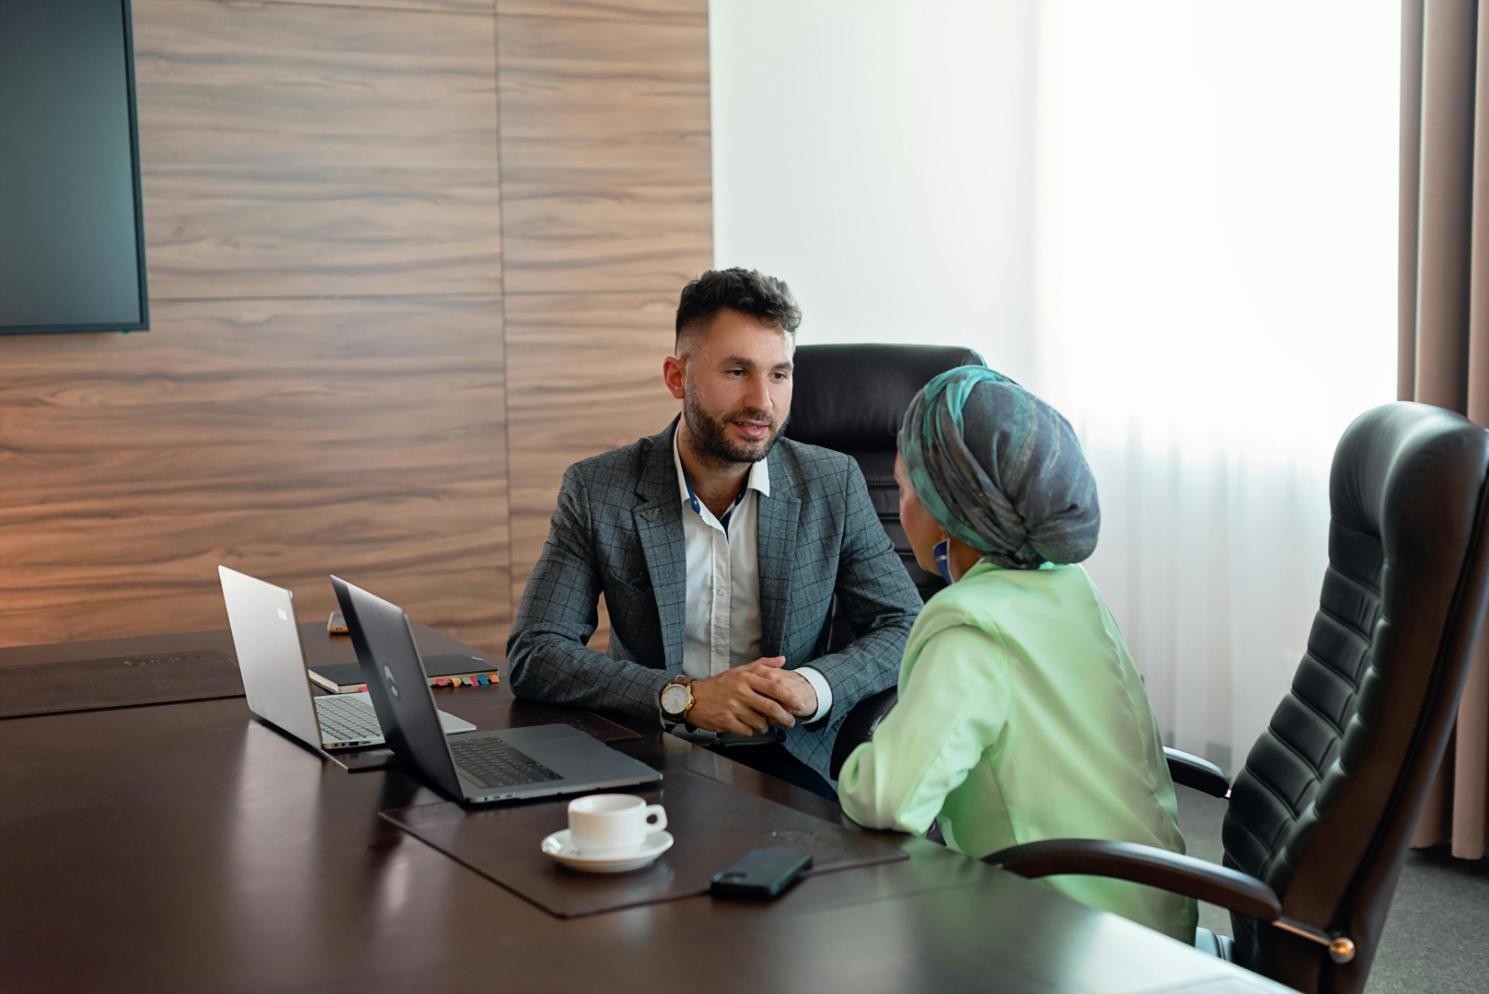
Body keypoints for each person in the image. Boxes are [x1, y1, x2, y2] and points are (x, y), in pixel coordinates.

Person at [507, 268, 923, 795]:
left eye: (779, 374)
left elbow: (906, 625)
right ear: (677, 377)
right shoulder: (599, 489)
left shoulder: (831, 482)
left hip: (789, 757)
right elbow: (536, 652)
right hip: (653, 750)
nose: (762, 402)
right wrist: (684, 697)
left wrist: (812, 685)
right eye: (737, 371)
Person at [836, 366, 1198, 941]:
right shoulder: (1069, 584)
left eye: (904, 489)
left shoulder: (972, 627)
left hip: (1066, 935)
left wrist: (857, 757)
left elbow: (886, 799)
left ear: (948, 511)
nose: (899, 509)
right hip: (1153, 912)